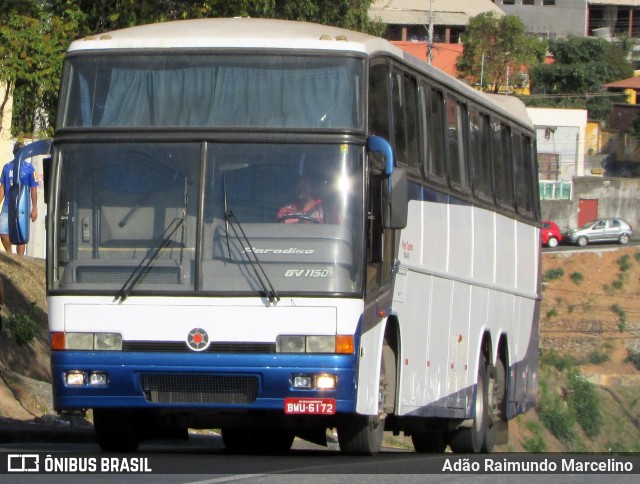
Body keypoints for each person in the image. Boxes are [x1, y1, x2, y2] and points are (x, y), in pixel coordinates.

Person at [0, 142, 39, 255]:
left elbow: (33, 189)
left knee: (21, 234)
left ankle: (20, 258)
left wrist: (34, 208)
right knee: (2, 232)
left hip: (22, 205)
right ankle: (10, 254)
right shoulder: (7, 168)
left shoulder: (30, 169)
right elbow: (2, 187)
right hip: (8, 205)